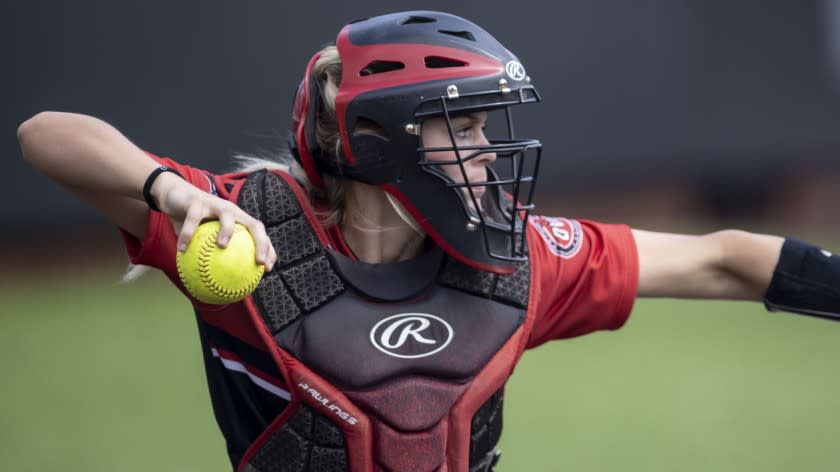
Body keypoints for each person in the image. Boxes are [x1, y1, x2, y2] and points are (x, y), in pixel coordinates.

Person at [17, 10, 839, 472]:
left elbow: (722, 259)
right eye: (467, 127)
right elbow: (45, 133)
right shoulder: (245, 234)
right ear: (384, 142)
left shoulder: (518, 260)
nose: (489, 153)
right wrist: (173, 193)